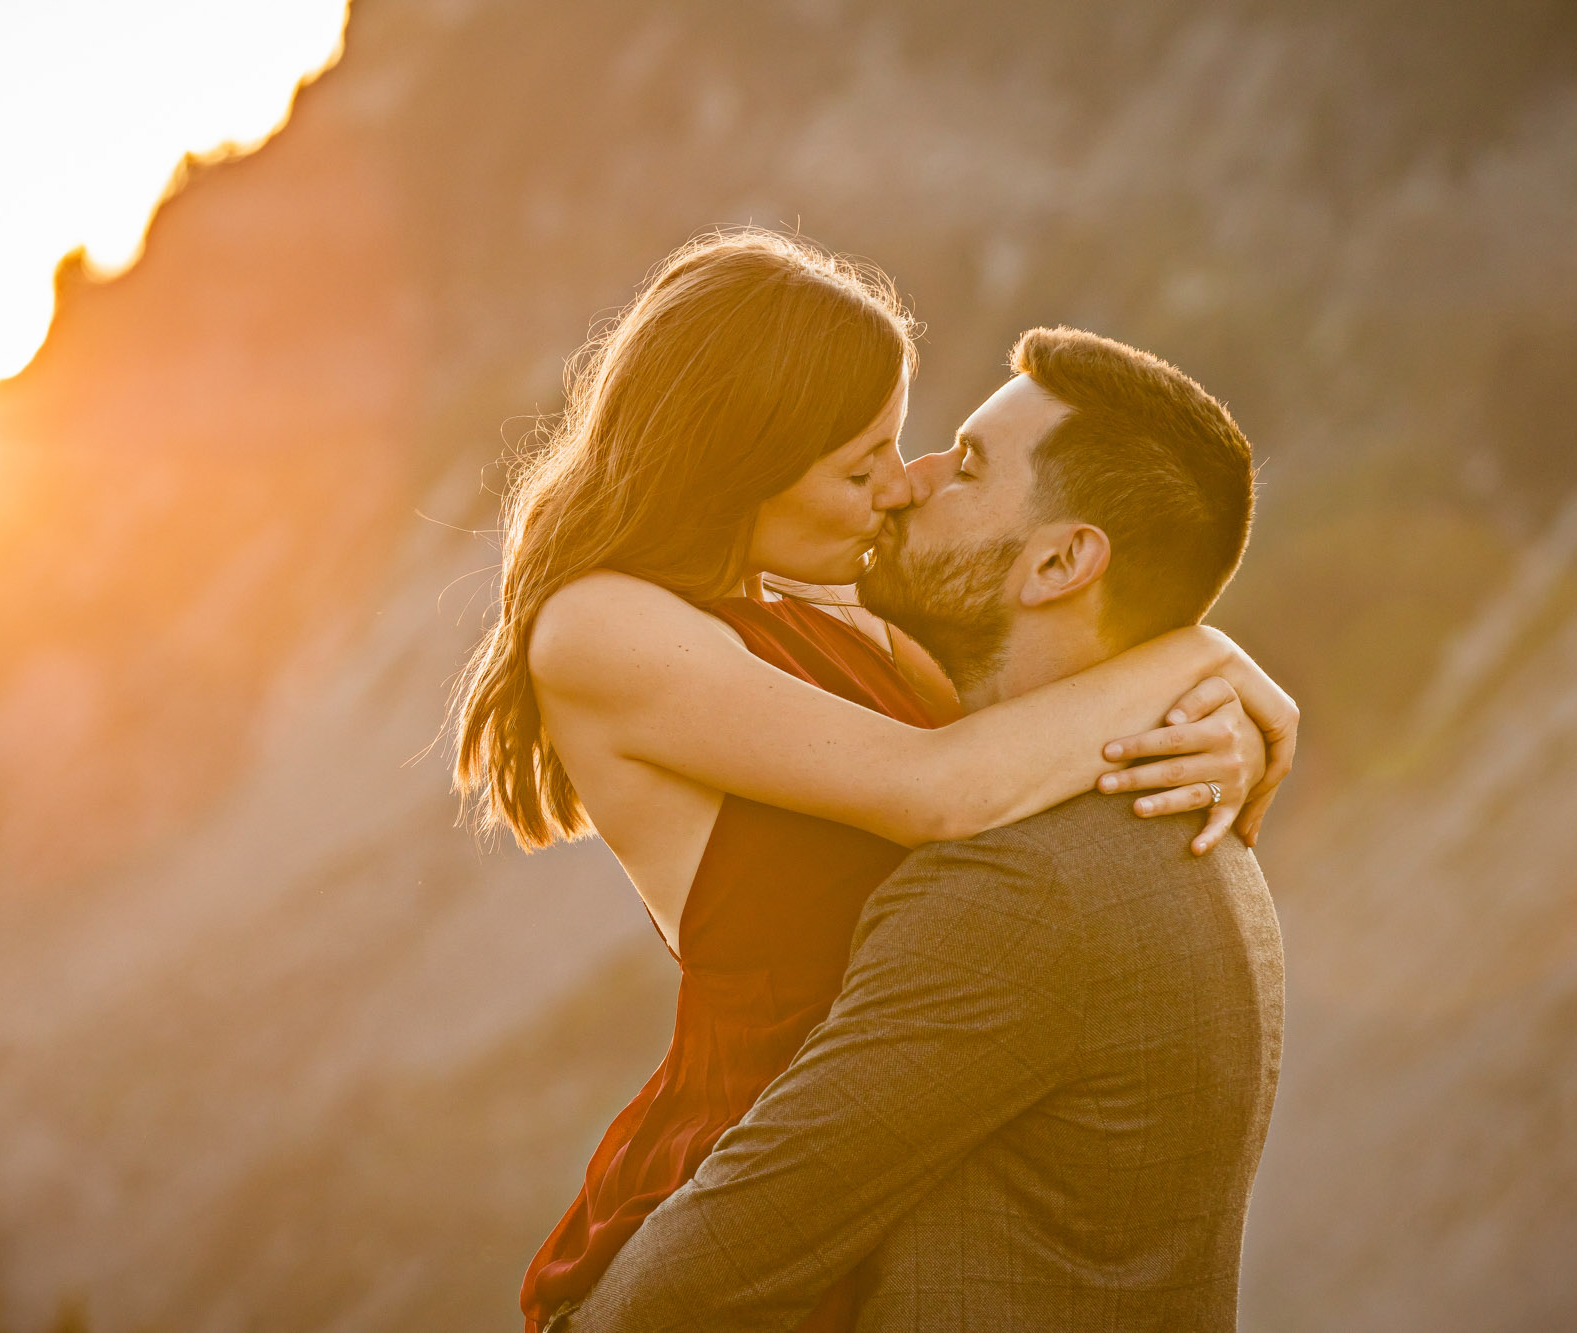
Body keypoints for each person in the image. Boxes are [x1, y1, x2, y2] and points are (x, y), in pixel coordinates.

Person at [449, 230, 1297, 1333]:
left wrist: (1216, 723)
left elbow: (1033, 708)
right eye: (862, 467)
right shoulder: (603, 630)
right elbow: (939, 791)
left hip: (879, 1188)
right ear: (737, 465)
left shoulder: (846, 624)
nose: (898, 490)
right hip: (745, 1192)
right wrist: (1200, 659)